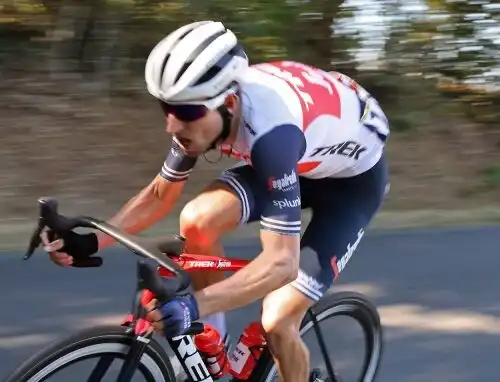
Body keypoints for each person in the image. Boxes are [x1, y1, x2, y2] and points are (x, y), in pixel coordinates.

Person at [40, 20, 390, 382]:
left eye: (188, 112)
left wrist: (193, 305)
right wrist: (93, 239)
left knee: (278, 318)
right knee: (197, 219)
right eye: (166, 108)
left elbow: (282, 263)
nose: (172, 126)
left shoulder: (271, 133)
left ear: (229, 101)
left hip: (350, 186)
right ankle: (210, 346)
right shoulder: (205, 113)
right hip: (302, 156)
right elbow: (160, 195)